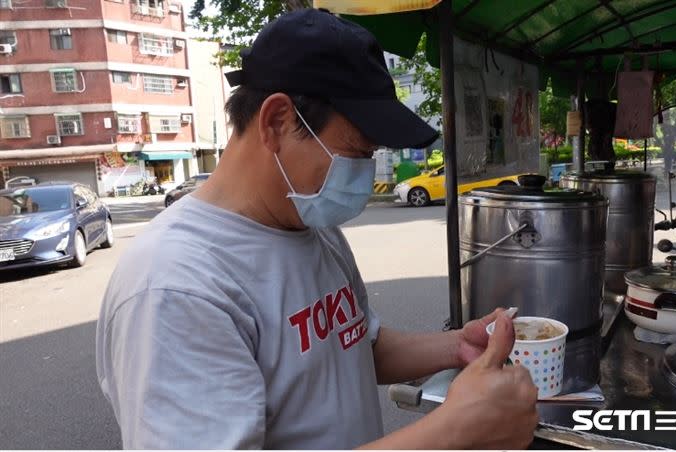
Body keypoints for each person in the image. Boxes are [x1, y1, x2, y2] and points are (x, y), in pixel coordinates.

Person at [96, 8, 539, 449]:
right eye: (356, 152)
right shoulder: (175, 286)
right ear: (276, 122)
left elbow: (355, 347)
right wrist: (455, 430)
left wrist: (457, 346)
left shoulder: (311, 224)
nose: (365, 173)